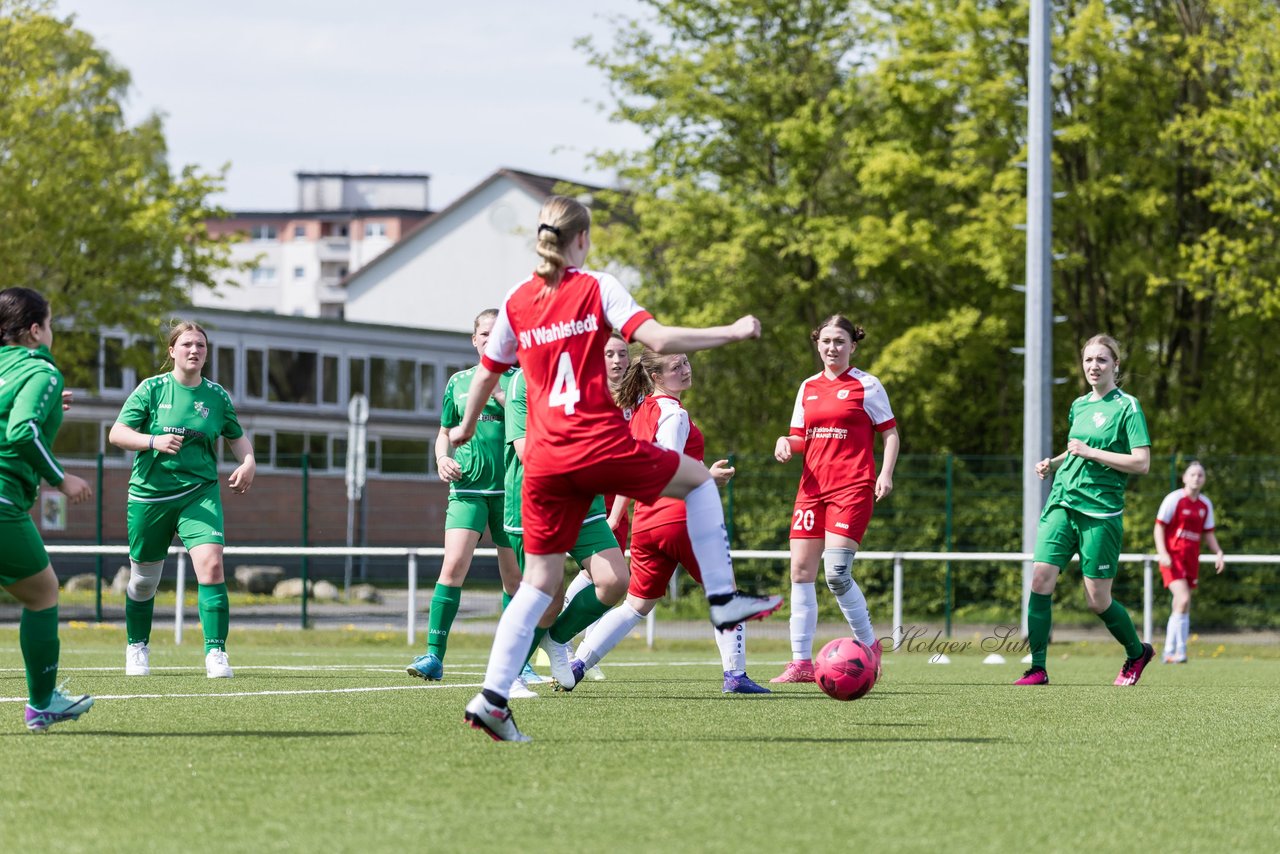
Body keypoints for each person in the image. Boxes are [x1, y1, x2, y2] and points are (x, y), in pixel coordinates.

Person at [453, 194, 781, 742]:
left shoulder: (515, 301)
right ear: (581, 239)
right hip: (594, 442)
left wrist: (463, 428)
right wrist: (731, 331)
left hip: (544, 460)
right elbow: (658, 339)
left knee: (538, 584)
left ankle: (491, 697)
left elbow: (489, 374)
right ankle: (724, 601)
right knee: (698, 477)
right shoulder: (596, 286)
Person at [572, 349, 770, 694]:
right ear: (657, 377)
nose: (685, 369)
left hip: (646, 521)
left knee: (636, 604)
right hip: (680, 514)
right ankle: (735, 676)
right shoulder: (673, 413)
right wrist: (707, 477)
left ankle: (577, 665)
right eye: (675, 367)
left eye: (686, 362)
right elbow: (665, 468)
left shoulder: (640, 412)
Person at [109, 321, 256, 679]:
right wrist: (152, 441)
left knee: (212, 567)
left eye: (201, 346)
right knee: (144, 581)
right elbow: (117, 434)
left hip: (199, 494)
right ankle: (137, 646)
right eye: (187, 344)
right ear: (172, 351)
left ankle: (215, 652)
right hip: (150, 496)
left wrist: (249, 461)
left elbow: (237, 438)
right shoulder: (151, 389)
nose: (194, 350)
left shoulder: (217, 396)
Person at [1017, 334, 1154, 686]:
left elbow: (1141, 463)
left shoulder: (1128, 407)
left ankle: (1137, 652)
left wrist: (1091, 453)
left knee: (1097, 600)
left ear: (1116, 365)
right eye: (1089, 360)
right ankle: (1038, 668)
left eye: (1102, 360)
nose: (1094, 366)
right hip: (1062, 502)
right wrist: (1055, 462)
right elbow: (1078, 448)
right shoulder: (1079, 404)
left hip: (1101, 512)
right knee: (1040, 579)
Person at [769, 316, 898, 684]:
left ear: (852, 346)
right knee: (800, 572)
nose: (831, 348)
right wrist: (785, 442)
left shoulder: (867, 385)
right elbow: (800, 438)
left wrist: (885, 473)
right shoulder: (807, 387)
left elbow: (890, 434)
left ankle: (870, 645)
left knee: (837, 574)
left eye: (839, 341)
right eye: (825, 341)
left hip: (851, 488)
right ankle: (800, 663)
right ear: (817, 343)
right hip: (811, 491)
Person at [406, 309, 523, 682]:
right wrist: (442, 458)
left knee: (515, 581)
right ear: (475, 340)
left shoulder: (521, 381)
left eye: (498, 333)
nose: (491, 339)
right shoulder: (458, 382)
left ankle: (517, 662)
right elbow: (444, 431)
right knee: (453, 567)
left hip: (510, 493)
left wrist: (499, 391)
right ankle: (433, 657)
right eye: (484, 333)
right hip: (467, 490)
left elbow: (531, 425)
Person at [0, 287, 94, 732]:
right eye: (51, 324)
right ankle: (42, 703)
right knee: (43, 594)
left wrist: (48, 402)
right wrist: (61, 478)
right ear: (35, 330)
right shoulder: (41, 370)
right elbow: (20, 431)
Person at [502, 366, 624, 696]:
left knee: (615, 581)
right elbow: (525, 451)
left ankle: (555, 638)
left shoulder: (586, 375)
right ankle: (509, 676)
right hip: (538, 503)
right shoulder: (524, 379)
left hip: (585, 503)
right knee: (546, 596)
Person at [1155, 461, 1225, 663]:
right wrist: (1162, 553)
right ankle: (1179, 651)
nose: (1196, 478)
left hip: (1190, 560)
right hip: (1172, 558)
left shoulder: (1205, 504)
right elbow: (1159, 527)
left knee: (1182, 604)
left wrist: (1218, 552)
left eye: (1200, 475)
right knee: (1183, 598)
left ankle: (1171, 652)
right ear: (1184, 477)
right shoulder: (1174, 499)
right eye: (1192, 474)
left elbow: (1208, 533)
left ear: (1204, 479)